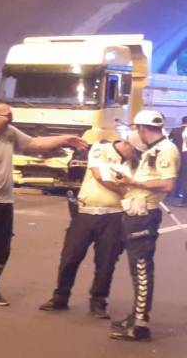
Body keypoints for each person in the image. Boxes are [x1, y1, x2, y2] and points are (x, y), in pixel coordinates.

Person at [0, 99, 88, 307]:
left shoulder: (9, 133)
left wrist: (65, 139)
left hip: (3, 201)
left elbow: (35, 144)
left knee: (1, 249)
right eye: (7, 115)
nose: (11, 118)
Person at [38, 138, 138, 318]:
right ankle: (60, 296)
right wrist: (127, 191)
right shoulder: (100, 149)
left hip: (114, 216)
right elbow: (100, 177)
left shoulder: (135, 163)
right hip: (85, 213)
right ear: (127, 144)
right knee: (70, 256)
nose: (137, 155)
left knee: (106, 261)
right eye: (136, 151)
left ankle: (98, 301)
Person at [108, 110, 179, 342]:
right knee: (137, 269)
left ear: (140, 128)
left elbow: (168, 184)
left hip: (144, 214)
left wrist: (134, 182)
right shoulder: (152, 149)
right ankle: (136, 316)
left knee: (141, 269)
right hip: (135, 212)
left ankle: (140, 323)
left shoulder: (166, 149)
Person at [168, 115, 187, 205]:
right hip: (185, 156)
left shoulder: (175, 130)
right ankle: (184, 198)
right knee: (185, 177)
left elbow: (169, 141)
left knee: (175, 175)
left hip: (176, 155)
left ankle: (173, 195)